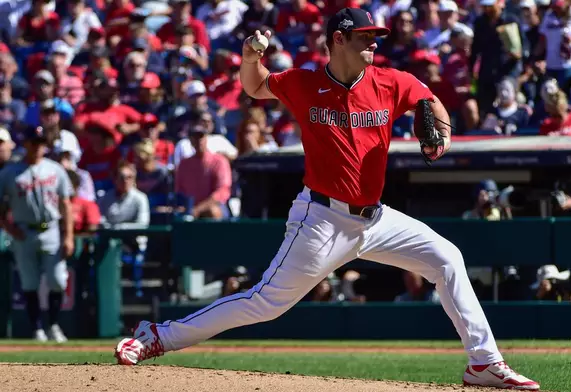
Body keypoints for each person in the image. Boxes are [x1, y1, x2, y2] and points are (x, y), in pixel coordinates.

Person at [114, 8, 539, 390]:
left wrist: (440, 136)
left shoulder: (392, 81)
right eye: (365, 37)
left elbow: (431, 102)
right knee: (265, 302)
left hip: (376, 220)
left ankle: (484, 363)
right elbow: (257, 87)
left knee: (447, 258)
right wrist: (249, 59)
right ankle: (157, 335)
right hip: (321, 218)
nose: (374, 42)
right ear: (339, 39)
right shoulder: (304, 83)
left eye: (376, 36)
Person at [0, 125, 74, 342]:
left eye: (41, 143)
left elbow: (66, 204)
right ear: (25, 144)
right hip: (24, 231)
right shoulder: (10, 172)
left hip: (51, 228)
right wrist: (8, 227)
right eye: (33, 143)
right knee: (29, 282)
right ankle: (37, 329)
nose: (37, 147)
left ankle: (53, 325)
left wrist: (68, 235)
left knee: (57, 280)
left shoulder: (55, 169)